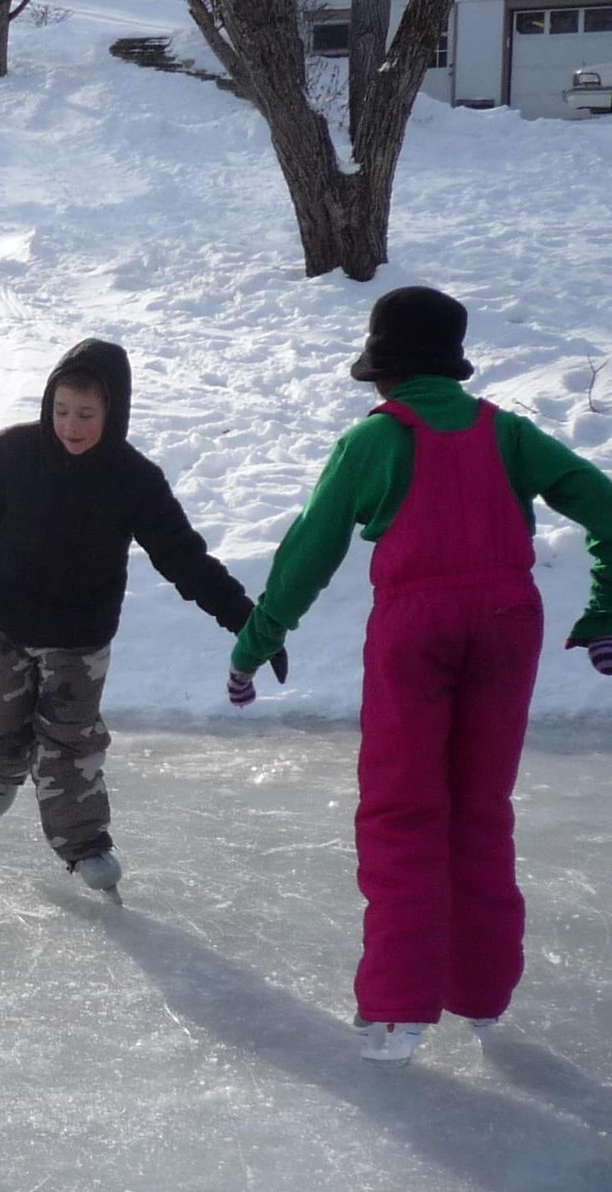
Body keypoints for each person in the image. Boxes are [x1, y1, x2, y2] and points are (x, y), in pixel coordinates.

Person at [228, 286, 612, 1067]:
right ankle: (483, 996)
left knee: (405, 809)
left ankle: (401, 1013)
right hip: (510, 625)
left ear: (384, 375)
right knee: (480, 806)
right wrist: (604, 612)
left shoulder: (373, 442)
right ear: (451, 367)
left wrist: (255, 642)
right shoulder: (507, 434)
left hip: (416, 631)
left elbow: (310, 551)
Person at [0, 338, 282, 901]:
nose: (70, 426)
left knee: (71, 741)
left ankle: (85, 843)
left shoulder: (133, 480)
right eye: (61, 410)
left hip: (80, 634)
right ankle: (3, 766)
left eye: (86, 415)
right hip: (3, 616)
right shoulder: (13, 452)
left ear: (113, 412)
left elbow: (184, 559)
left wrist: (244, 618)